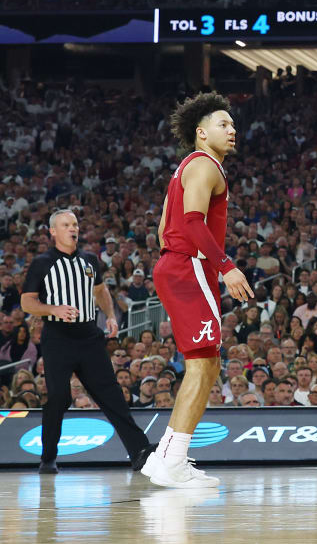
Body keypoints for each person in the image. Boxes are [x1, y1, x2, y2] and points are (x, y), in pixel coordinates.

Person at [143, 92, 253, 489]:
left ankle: (166, 457)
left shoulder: (187, 168)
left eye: (233, 124)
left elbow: (162, 227)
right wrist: (225, 267)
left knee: (207, 363)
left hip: (179, 266)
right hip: (191, 267)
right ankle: (171, 462)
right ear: (201, 133)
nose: (232, 130)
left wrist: (176, 261)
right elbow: (191, 223)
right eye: (224, 124)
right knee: (203, 364)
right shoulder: (206, 166)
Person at [21, 210, 154, 474]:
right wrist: (53, 309)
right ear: (53, 232)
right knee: (58, 398)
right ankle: (48, 457)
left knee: (112, 395)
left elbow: (100, 290)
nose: (72, 229)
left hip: (89, 337)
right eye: (66, 225)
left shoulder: (90, 260)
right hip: (58, 338)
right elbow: (27, 301)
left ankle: (140, 451)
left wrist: (110, 316)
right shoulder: (42, 262)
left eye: (75, 224)